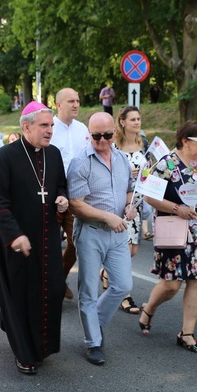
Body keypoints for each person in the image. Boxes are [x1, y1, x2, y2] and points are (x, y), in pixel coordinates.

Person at [0, 101, 69, 375]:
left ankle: (42, 345)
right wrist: (15, 235)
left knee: (53, 290)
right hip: (16, 240)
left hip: (47, 237)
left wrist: (61, 197)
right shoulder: (6, 156)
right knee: (22, 295)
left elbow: (60, 184)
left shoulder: (54, 154)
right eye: (44, 126)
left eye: (51, 126)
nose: (49, 131)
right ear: (26, 127)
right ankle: (24, 352)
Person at [137, 121, 197, 354]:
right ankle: (149, 308)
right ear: (185, 141)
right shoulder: (166, 163)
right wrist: (176, 208)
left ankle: (187, 333)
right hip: (174, 227)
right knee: (172, 285)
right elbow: (150, 197)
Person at [68, 112, 137, 365]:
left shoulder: (121, 159)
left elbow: (130, 188)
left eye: (107, 135)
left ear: (114, 133)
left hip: (117, 232)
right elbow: (76, 205)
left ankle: (94, 321)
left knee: (122, 285)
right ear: (89, 134)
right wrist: (108, 216)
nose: (102, 140)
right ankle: (93, 342)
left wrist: (130, 206)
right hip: (91, 232)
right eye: (96, 136)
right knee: (87, 289)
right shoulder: (80, 162)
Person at [50, 87, 90, 300]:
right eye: (71, 101)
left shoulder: (82, 129)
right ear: (58, 104)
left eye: (77, 100)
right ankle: (50, 283)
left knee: (77, 243)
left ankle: (59, 278)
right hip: (52, 195)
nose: (76, 104)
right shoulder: (49, 127)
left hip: (77, 195)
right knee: (49, 243)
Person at [112, 106, 148, 313]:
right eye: (132, 119)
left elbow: (154, 167)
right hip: (120, 201)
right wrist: (127, 172)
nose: (137, 122)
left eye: (139, 119)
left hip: (138, 201)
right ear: (122, 122)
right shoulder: (115, 146)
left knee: (132, 250)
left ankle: (107, 274)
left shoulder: (145, 144)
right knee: (123, 250)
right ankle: (124, 295)